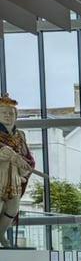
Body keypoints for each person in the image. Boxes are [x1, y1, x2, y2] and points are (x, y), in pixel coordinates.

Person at [0, 93, 36, 247]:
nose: (8, 116)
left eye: (11, 113)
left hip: (14, 178)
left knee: (12, 209)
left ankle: (0, 232)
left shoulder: (20, 136)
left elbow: (29, 157)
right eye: (4, 112)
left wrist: (26, 165)